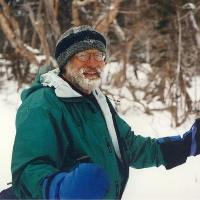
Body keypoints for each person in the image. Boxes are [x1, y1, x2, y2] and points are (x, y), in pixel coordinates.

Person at [10, 25, 200, 199]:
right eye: (83, 55)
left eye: (99, 55)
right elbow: (29, 171)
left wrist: (186, 145)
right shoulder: (41, 105)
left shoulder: (97, 99)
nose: (93, 63)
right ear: (65, 62)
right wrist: (61, 189)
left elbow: (130, 148)